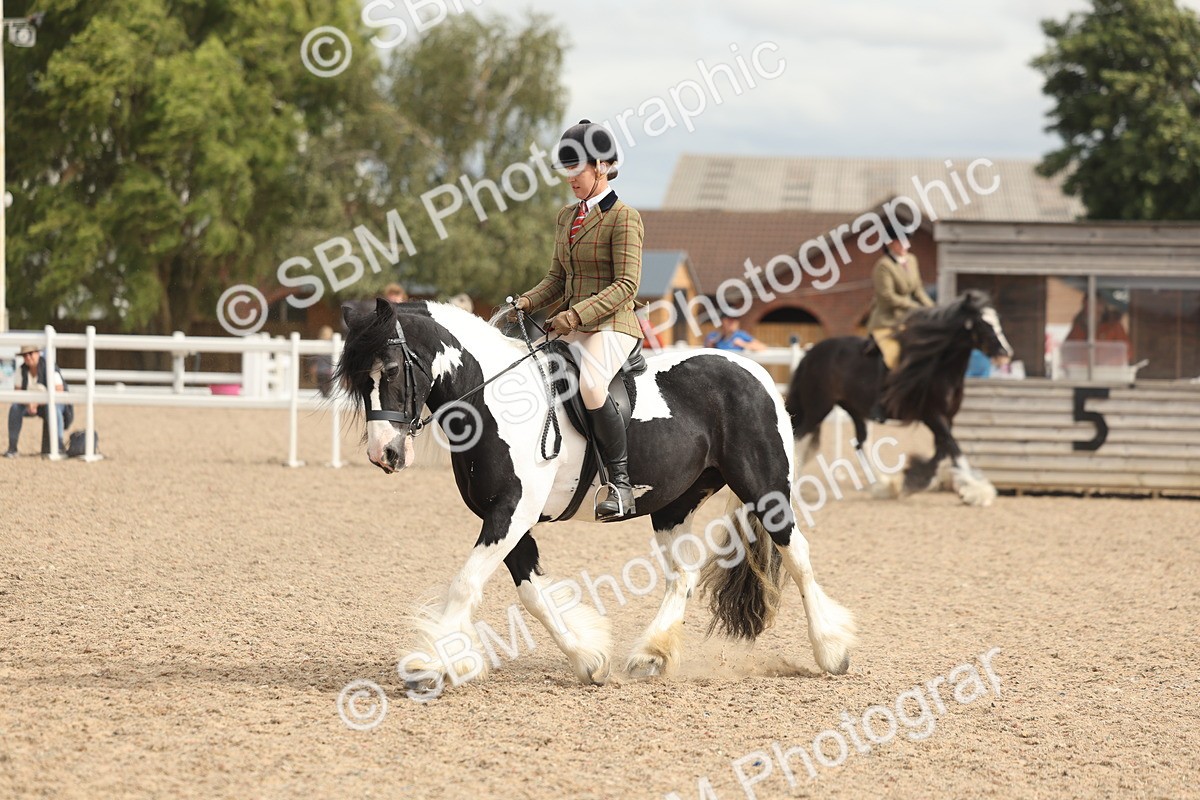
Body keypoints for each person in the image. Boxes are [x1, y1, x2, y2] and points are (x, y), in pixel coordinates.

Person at [512, 119, 643, 520]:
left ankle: (619, 485)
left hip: (612, 325)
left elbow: (626, 285)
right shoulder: (567, 217)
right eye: (566, 170)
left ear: (601, 166)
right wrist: (524, 302)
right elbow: (557, 278)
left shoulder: (624, 217)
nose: (571, 179)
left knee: (589, 383)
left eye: (578, 170)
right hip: (569, 325)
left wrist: (575, 316)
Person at [865, 228, 935, 421]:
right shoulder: (883, 266)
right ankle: (879, 404)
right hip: (886, 322)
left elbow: (918, 290)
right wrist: (915, 307)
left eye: (907, 242)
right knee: (893, 357)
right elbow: (887, 298)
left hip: (906, 321)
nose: (906, 246)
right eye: (902, 242)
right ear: (890, 243)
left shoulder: (911, 261)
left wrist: (934, 309)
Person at [6, 345, 71, 457]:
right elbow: (17, 392)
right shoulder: (21, 370)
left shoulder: (50, 367)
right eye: (25, 355)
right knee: (15, 408)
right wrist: (29, 403)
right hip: (28, 404)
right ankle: (12, 447)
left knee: (54, 408)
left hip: (50, 403)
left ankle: (59, 445)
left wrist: (37, 403)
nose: (28, 357)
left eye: (30, 354)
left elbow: (59, 390)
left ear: (38, 354)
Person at [310, 325, 336, 397]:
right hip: (320, 371)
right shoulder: (318, 345)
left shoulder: (333, 345)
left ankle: (326, 394)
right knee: (321, 385)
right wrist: (313, 367)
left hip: (329, 371)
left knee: (327, 386)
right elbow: (314, 358)